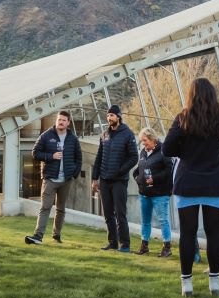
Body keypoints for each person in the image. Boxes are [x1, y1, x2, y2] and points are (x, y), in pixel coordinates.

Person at [162, 78, 219, 297]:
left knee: (187, 234)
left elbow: (167, 149)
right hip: (215, 181)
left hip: (188, 181)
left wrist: (186, 153)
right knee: (214, 234)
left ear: (191, 95)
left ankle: (187, 284)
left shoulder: (183, 118)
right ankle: (215, 283)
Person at [25, 110, 82, 245]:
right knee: (45, 207)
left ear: (68, 123)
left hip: (66, 180)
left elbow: (78, 158)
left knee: (61, 209)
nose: (60, 122)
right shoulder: (46, 136)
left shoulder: (73, 139)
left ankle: (56, 236)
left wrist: (73, 173)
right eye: (59, 119)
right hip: (50, 178)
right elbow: (35, 153)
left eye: (63, 120)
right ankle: (38, 236)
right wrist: (51, 156)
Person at [91, 105, 137, 253]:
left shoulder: (128, 134)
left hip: (119, 180)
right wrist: (94, 178)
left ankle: (125, 244)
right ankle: (112, 242)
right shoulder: (104, 135)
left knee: (120, 213)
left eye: (112, 115)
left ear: (118, 117)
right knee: (108, 213)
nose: (109, 118)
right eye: (108, 115)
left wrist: (120, 170)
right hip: (104, 179)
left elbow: (134, 157)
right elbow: (99, 158)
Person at [132, 127, 174, 257]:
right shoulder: (143, 152)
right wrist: (138, 179)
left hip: (160, 194)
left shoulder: (164, 151)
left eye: (144, 140)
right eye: (141, 141)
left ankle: (166, 247)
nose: (143, 143)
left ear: (152, 138)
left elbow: (169, 171)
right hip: (145, 193)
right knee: (145, 221)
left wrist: (154, 178)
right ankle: (144, 246)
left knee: (163, 220)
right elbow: (139, 169)